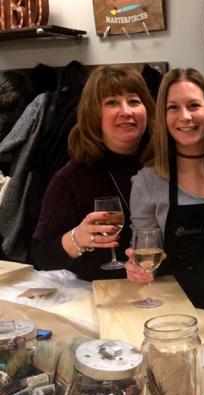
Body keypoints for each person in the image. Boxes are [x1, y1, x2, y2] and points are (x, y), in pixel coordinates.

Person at [32, 65, 155, 281]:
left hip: (165, 291)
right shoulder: (71, 178)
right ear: (94, 113)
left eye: (134, 101)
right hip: (100, 297)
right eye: (112, 103)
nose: (126, 111)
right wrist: (77, 239)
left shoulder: (164, 165)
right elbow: (41, 256)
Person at [127, 68, 204, 313]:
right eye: (173, 108)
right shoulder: (147, 182)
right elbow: (144, 251)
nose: (185, 116)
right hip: (173, 310)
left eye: (194, 105)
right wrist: (137, 269)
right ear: (163, 116)